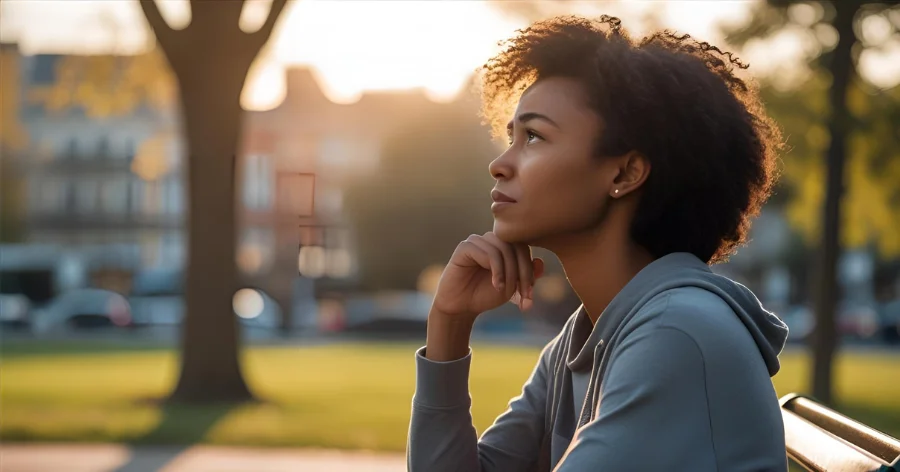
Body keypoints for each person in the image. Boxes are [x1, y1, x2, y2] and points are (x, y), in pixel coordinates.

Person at [407, 15, 790, 472]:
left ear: (624, 173)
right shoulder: (590, 334)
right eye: (511, 137)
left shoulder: (675, 336)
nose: (499, 164)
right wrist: (448, 325)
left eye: (534, 136)